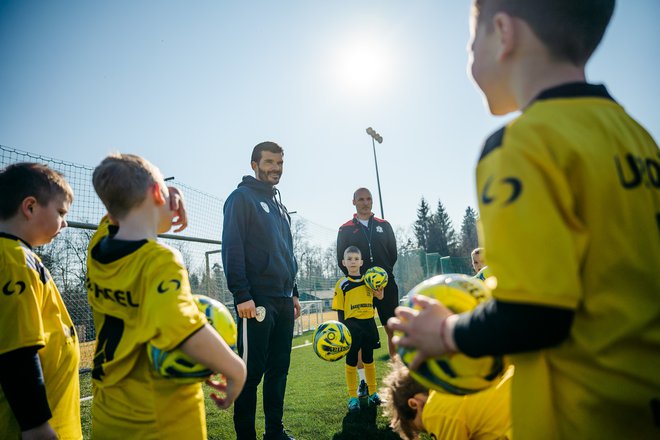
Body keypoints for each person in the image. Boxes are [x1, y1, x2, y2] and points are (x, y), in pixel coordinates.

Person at [389, 1, 660, 438]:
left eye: (469, 43)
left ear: (503, 33)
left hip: (578, 420)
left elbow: (536, 314)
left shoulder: (521, 145)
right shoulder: (637, 136)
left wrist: (446, 331)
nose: (469, 57)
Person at [87, 153, 246, 439]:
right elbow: (183, 330)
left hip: (109, 411)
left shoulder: (96, 248)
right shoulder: (159, 260)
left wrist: (162, 192)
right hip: (160, 415)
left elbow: (117, 205)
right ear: (156, 193)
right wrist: (235, 368)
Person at [222, 141, 300, 440]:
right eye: (269, 162)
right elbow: (232, 248)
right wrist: (242, 294)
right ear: (254, 163)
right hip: (256, 301)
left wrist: (293, 291)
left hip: (282, 299)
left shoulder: (280, 205)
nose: (275, 169)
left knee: (279, 369)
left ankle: (274, 433)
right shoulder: (241, 199)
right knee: (250, 373)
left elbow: (287, 253)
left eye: (280, 163)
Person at [0, 163, 82, 440]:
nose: (65, 222)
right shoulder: (13, 260)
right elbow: (17, 353)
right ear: (30, 207)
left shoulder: (19, 256)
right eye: (61, 212)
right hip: (29, 430)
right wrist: (36, 426)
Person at [336, 187, 399, 395]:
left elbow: (392, 254)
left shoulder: (384, 225)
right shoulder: (345, 229)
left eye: (369, 199)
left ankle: (398, 377)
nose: (365, 202)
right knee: (360, 334)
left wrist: (379, 278)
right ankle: (363, 383)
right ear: (353, 202)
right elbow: (341, 260)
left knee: (392, 329)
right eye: (361, 199)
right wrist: (361, 280)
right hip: (358, 288)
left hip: (385, 285)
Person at [381, 360, 513, 440]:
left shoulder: (435, 411)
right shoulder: (454, 382)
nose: (430, 432)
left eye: (423, 428)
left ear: (414, 404)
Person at [332, 246, 384, 413]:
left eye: (356, 258)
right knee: (352, 360)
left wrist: (380, 294)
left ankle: (373, 393)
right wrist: (343, 331)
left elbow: (379, 297)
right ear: (343, 262)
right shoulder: (342, 284)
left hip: (369, 323)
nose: (353, 261)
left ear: (361, 262)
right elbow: (340, 310)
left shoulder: (369, 280)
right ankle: (353, 397)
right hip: (351, 325)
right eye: (350, 259)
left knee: (369, 358)